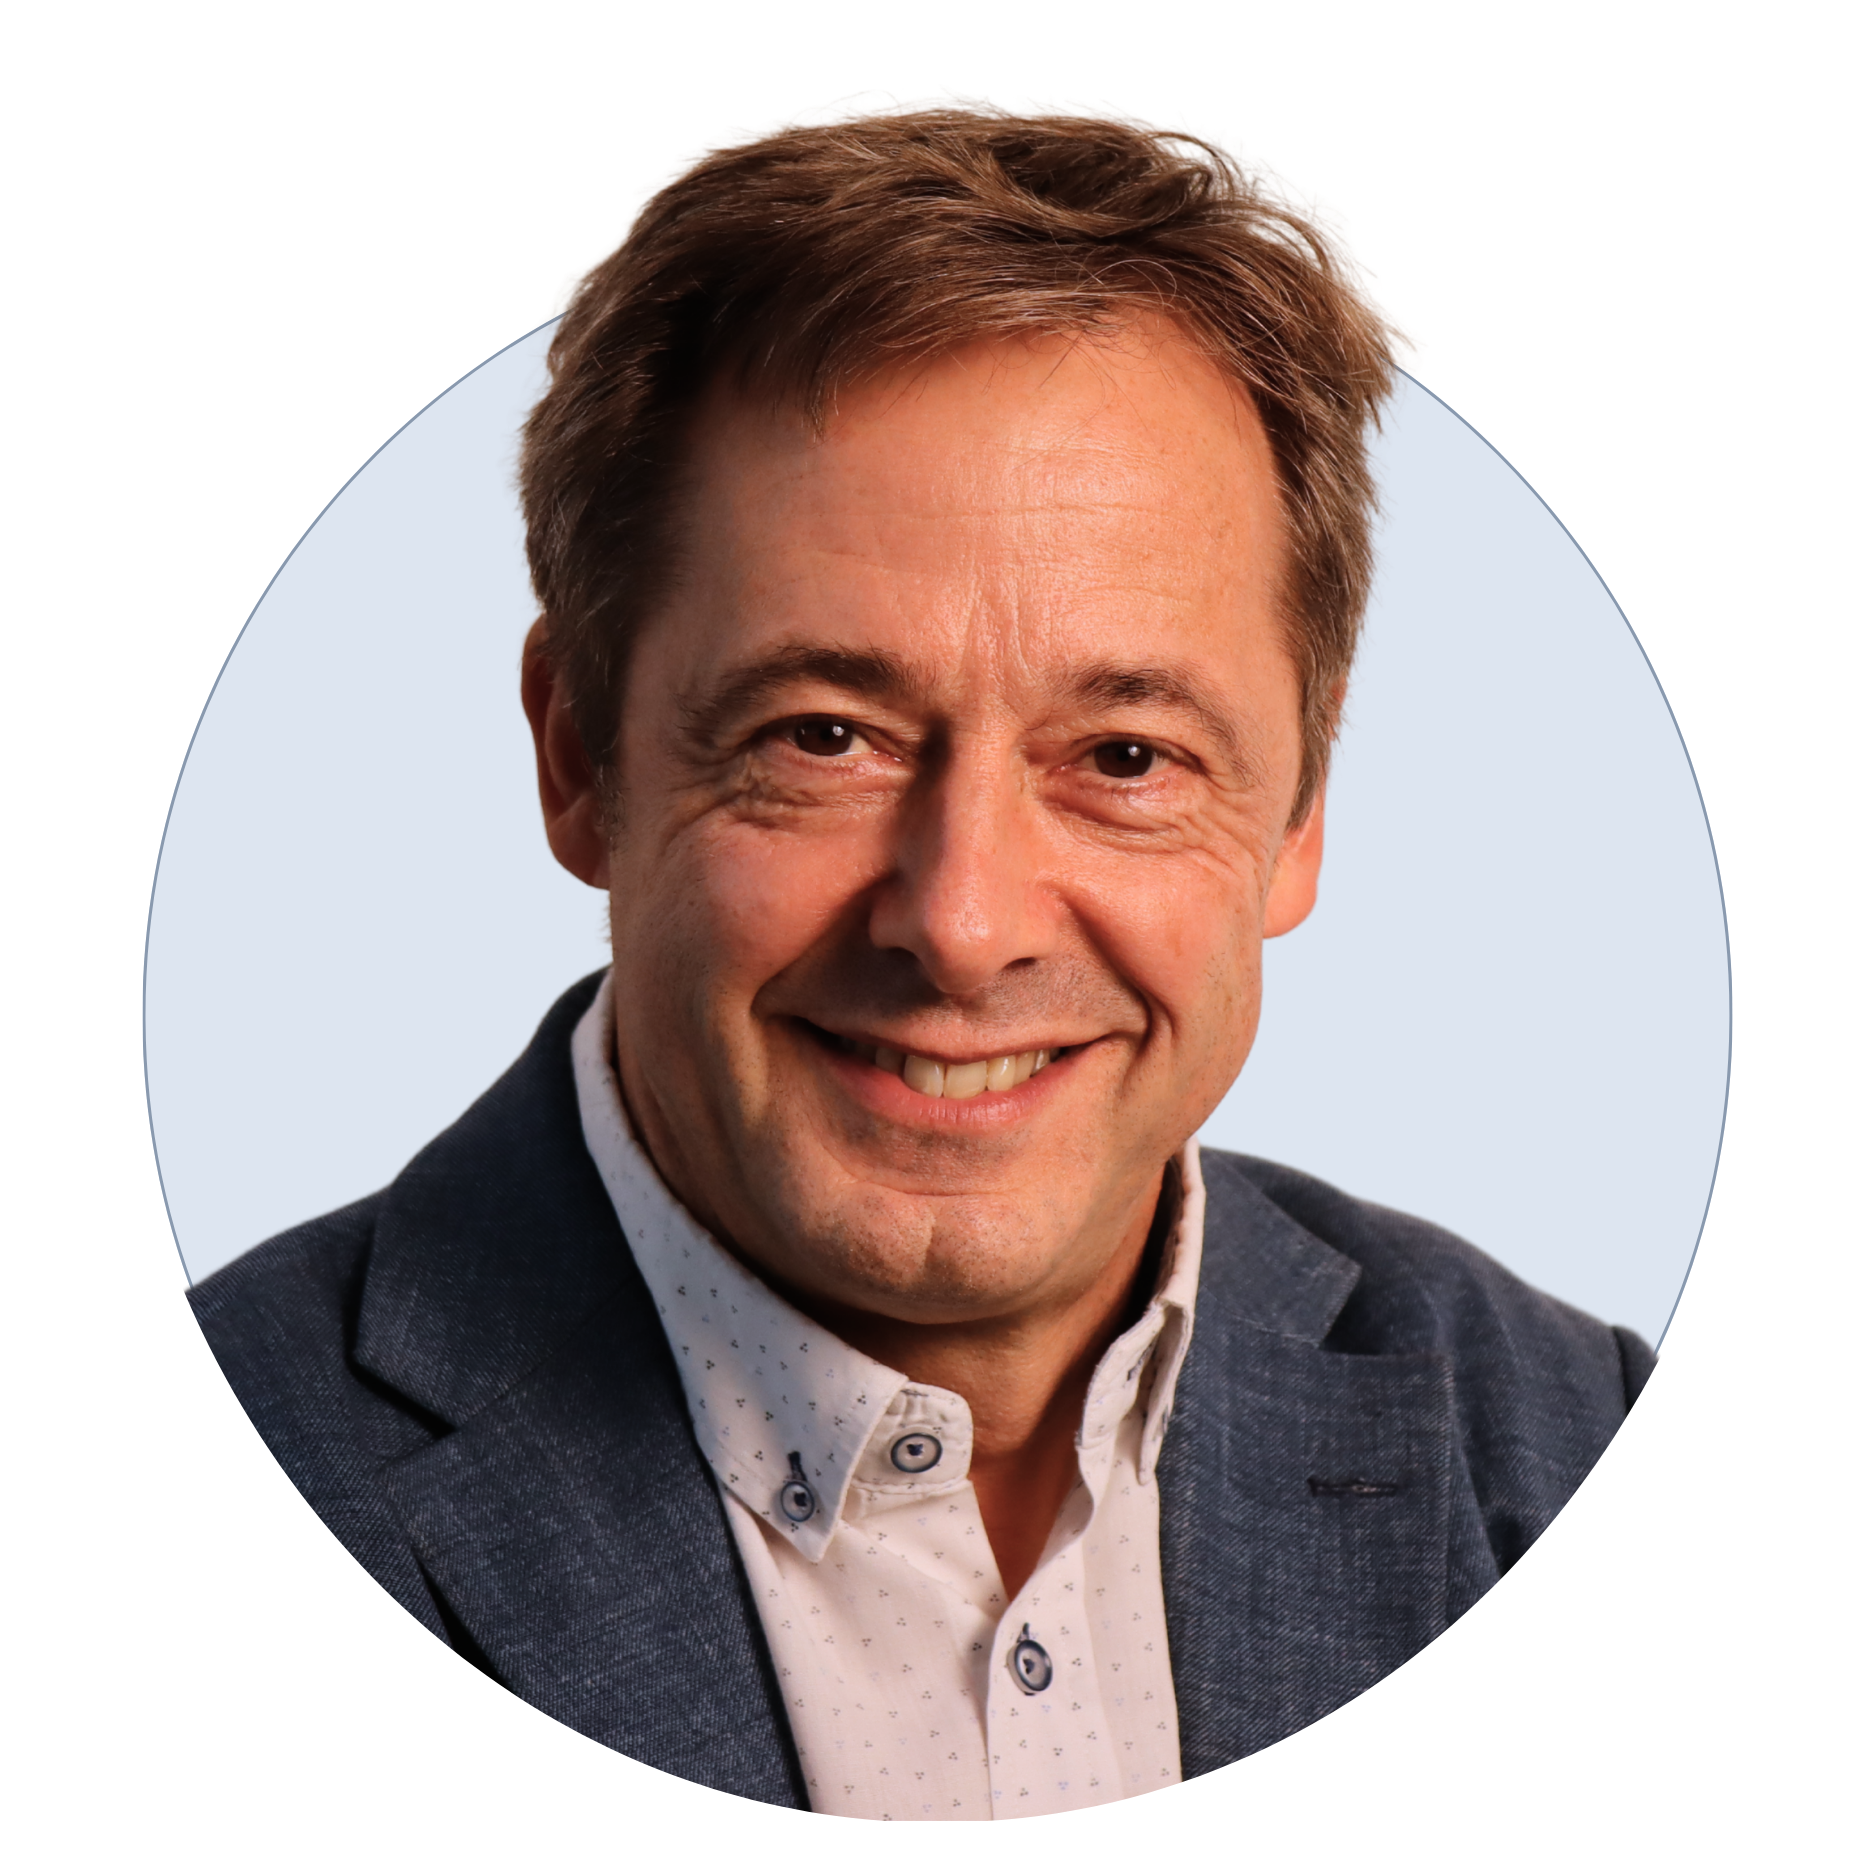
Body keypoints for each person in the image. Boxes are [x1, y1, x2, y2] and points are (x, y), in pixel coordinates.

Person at [187, 94, 1656, 1823]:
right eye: (825, 735)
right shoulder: (262, 1433)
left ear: (1298, 810)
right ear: (580, 754)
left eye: (1122, 756)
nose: (961, 921)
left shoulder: (1594, 1459)